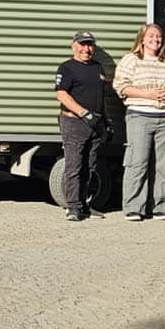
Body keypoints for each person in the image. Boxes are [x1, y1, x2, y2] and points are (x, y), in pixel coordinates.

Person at [113, 23, 165, 221]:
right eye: (151, 36)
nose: (156, 39)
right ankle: (134, 207)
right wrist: (148, 94)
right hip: (140, 116)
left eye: (159, 36)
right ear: (142, 39)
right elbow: (120, 86)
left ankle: (159, 207)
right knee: (138, 163)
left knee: (163, 165)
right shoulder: (131, 60)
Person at [54, 30, 108, 222]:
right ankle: (73, 207)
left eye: (90, 45)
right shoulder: (67, 68)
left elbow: (101, 98)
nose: (87, 49)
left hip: (96, 123)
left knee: (90, 166)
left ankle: (86, 204)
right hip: (74, 122)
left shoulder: (97, 68)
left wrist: (106, 121)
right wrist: (84, 113)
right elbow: (61, 94)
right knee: (74, 165)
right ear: (74, 46)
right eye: (83, 44)